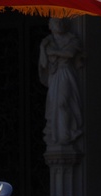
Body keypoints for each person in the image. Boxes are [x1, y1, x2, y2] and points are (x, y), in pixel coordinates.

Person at [38, 17, 83, 149]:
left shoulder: (71, 39)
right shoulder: (47, 42)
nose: (58, 24)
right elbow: (45, 62)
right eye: (55, 22)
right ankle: (57, 136)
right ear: (50, 25)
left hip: (66, 74)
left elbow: (70, 53)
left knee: (64, 103)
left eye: (60, 22)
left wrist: (55, 53)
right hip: (55, 75)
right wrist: (44, 48)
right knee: (53, 105)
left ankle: (66, 135)